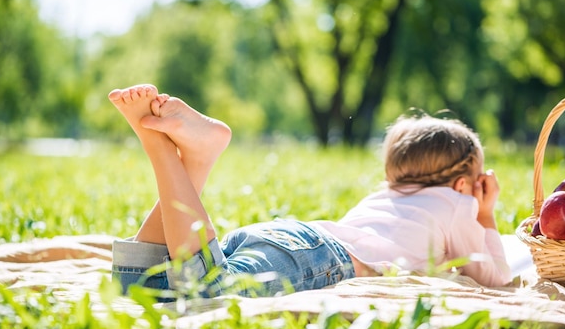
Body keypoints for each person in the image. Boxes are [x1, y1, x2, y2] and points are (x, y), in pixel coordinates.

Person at [110, 84, 512, 299]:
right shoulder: (459, 202)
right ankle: (158, 144)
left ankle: (196, 159)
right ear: (463, 183)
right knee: (207, 289)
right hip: (321, 256)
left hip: (292, 237)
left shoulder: (384, 196)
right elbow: (493, 278)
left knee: (144, 287)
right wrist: (484, 212)